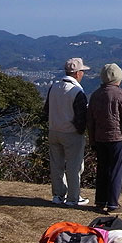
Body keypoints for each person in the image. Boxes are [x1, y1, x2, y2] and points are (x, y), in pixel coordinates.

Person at [87, 62, 122, 214]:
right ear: (117, 79)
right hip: (116, 138)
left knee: (102, 169)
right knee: (116, 170)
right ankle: (113, 204)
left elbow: (90, 120)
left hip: (99, 138)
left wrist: (92, 140)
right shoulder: (121, 94)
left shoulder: (95, 95)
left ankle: (100, 200)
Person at [43, 57, 91, 207]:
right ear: (77, 73)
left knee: (56, 165)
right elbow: (81, 117)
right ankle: (73, 197)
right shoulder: (77, 91)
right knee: (74, 166)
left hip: (54, 131)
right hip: (71, 133)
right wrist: (81, 131)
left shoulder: (54, 87)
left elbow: (46, 110)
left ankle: (58, 195)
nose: (83, 74)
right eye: (82, 71)